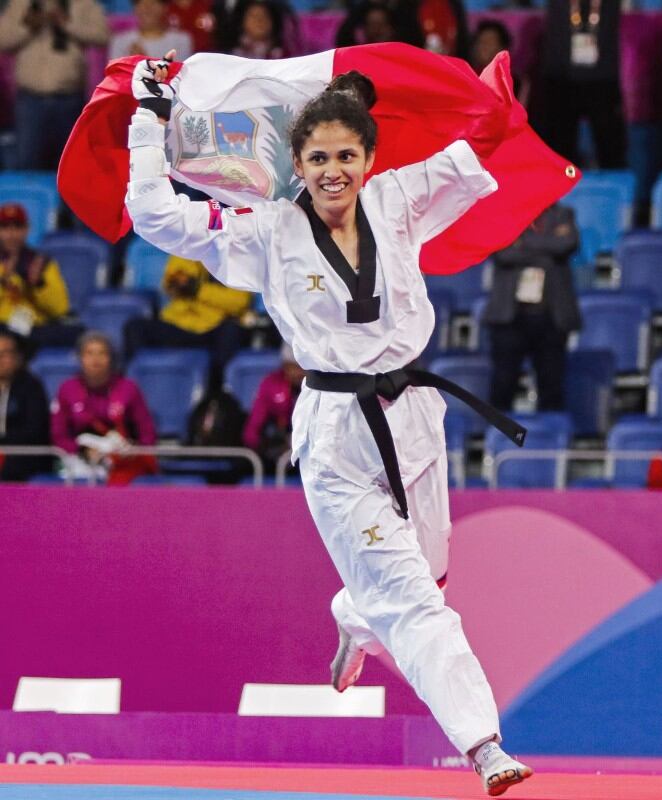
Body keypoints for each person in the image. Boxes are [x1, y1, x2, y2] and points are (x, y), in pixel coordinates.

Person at [125, 57, 532, 793]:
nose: (335, 171)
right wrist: (147, 122)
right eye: (319, 158)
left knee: (428, 574)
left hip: (412, 414)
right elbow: (156, 216)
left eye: (348, 156)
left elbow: (483, 146)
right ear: (297, 163)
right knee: (413, 599)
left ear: (370, 160)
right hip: (337, 435)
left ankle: (352, 608)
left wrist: (489, 93)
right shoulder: (264, 232)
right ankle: (484, 745)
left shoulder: (402, 198)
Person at [483, 203, 580, 412]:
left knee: (552, 386)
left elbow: (567, 244)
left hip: (550, 317)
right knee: (503, 384)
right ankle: (498, 439)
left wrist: (522, 243)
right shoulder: (505, 213)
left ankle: (549, 440)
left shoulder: (563, 213)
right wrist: (548, 249)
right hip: (510, 318)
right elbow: (503, 254)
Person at [0, 0, 108, 171]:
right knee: (28, 163)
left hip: (69, 99)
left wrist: (66, 23)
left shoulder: (83, 3)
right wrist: (29, 26)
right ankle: (30, 198)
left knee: (69, 166)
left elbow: (102, 34)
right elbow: (3, 39)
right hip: (30, 101)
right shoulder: (21, 4)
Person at [123, 254, 250, 387]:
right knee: (135, 327)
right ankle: (135, 387)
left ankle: (215, 393)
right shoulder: (187, 248)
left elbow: (239, 302)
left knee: (232, 331)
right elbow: (173, 282)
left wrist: (197, 289)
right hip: (178, 323)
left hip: (214, 328)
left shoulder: (238, 259)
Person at [51, 331, 157, 485]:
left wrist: (134, 451)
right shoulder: (68, 389)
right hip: (80, 460)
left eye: (102, 353)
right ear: (80, 358)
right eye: (89, 353)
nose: (95, 360)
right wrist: (82, 451)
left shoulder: (128, 388)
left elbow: (147, 433)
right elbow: (58, 435)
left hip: (123, 460)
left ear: (111, 358)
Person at [535, 0, 625, 169]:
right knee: (559, 148)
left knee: (610, 147)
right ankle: (560, 192)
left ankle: (613, 190)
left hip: (602, 79)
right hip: (561, 78)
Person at [0, 203, 82, 350]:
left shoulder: (40, 262)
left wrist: (38, 284)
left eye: (17, 226)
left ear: (27, 229)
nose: (11, 233)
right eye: (5, 227)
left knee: (77, 332)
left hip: (34, 328)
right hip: (3, 327)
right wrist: (3, 280)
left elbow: (60, 309)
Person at [0, 330, 52, 482]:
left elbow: (33, 430)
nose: (0, 358)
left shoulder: (31, 386)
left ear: (17, 357)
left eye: (6, 353)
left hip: (22, 456)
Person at [243, 343, 304, 468]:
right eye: (293, 367)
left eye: (302, 368)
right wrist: (265, 446)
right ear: (284, 366)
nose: (298, 373)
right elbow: (252, 430)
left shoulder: (319, 387)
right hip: (278, 451)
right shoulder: (270, 384)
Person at [109, 0, 194, 63]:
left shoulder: (181, 40)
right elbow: (115, 79)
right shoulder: (120, 41)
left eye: (153, 3)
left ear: (165, 7)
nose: (147, 8)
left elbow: (178, 79)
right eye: (141, 3)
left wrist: (143, 61)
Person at [219, 0, 291, 59]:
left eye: (264, 16)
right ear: (242, 21)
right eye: (254, 16)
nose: (259, 21)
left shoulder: (286, 55)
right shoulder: (230, 57)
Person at [335, 0, 422, 48]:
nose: (377, 29)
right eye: (372, 24)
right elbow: (342, 41)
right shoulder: (360, 11)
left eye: (380, 24)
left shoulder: (403, 10)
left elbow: (417, 41)